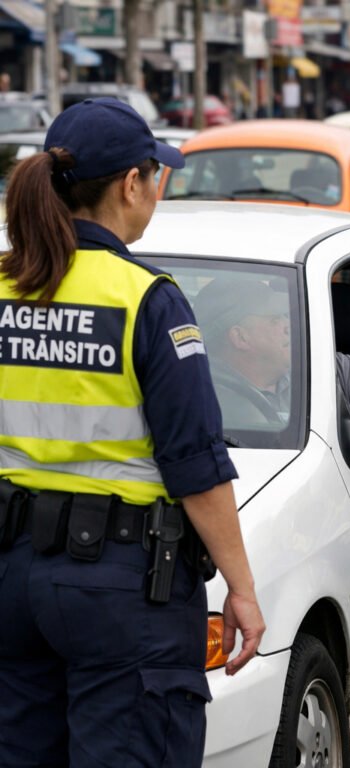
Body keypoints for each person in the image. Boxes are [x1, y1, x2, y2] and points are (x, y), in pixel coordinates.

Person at [0, 98, 265, 767]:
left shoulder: (5, 286)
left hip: (11, 579)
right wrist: (241, 586)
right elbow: (195, 462)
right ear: (130, 185)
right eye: (156, 174)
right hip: (119, 590)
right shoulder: (146, 297)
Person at [193, 276, 350, 423]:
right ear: (240, 337)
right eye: (274, 319)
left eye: (285, 315)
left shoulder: (323, 367)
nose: (288, 325)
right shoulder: (197, 394)